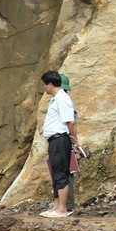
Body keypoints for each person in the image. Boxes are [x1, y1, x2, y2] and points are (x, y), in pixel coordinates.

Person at [40, 70, 78, 218]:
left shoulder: (62, 99)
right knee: (56, 173)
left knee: (61, 173)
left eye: (44, 84)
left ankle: (62, 209)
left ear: (50, 84)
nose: (44, 87)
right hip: (55, 140)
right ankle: (56, 207)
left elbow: (70, 122)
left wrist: (73, 137)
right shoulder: (57, 99)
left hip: (60, 139)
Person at [60, 74, 78, 212]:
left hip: (64, 140)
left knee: (65, 173)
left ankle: (67, 206)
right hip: (65, 140)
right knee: (64, 172)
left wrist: (73, 139)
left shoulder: (64, 101)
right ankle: (65, 205)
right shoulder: (66, 100)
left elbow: (71, 123)